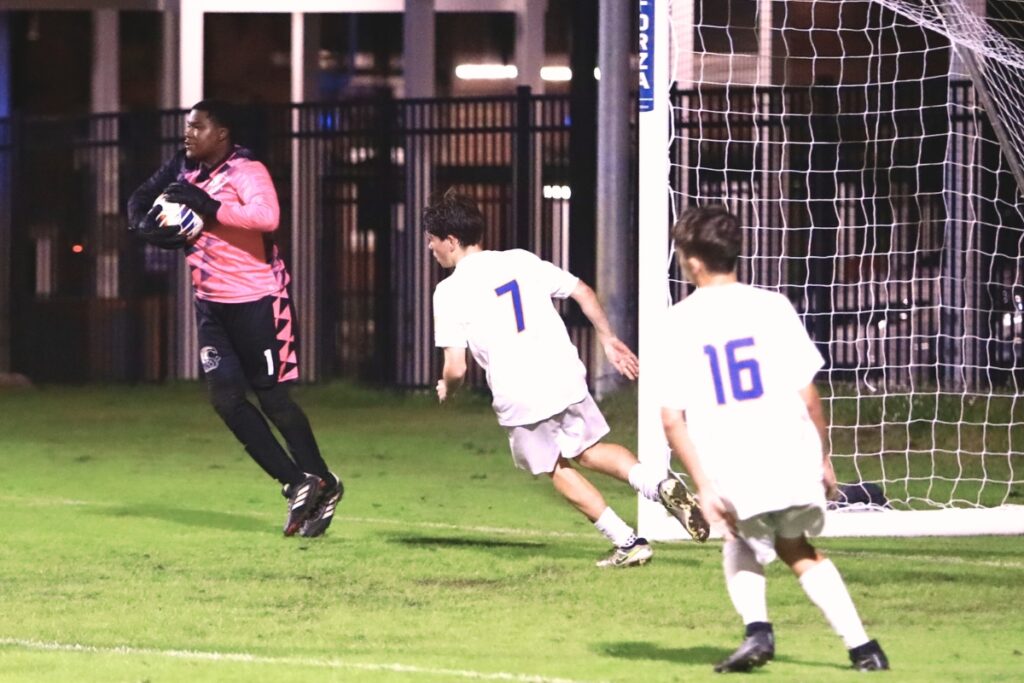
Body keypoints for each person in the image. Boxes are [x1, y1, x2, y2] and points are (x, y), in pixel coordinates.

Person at [657, 206, 889, 672]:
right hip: (789, 451)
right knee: (795, 545)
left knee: (738, 538)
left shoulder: (679, 322)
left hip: (734, 457)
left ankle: (758, 632)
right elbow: (809, 396)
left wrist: (702, 485)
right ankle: (864, 649)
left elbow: (672, 420)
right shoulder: (773, 305)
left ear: (693, 261)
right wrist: (823, 458)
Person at [424, 189, 708, 568]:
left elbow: (456, 367)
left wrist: (448, 388)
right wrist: (608, 339)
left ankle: (627, 541)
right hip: (563, 374)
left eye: (432, 241)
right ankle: (658, 483)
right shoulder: (519, 260)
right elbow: (582, 292)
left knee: (555, 467)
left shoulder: (448, 291)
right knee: (590, 449)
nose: (431, 249)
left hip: (519, 392)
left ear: (452, 240)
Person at [127, 100, 343, 538]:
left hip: (260, 300)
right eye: (187, 127)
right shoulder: (182, 169)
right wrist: (141, 225)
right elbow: (139, 198)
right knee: (225, 399)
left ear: (221, 134)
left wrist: (208, 206)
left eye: (197, 127)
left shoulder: (247, 171)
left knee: (275, 400)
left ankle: (324, 481)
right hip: (211, 306)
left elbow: (268, 217)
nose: (188, 134)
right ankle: (295, 481)